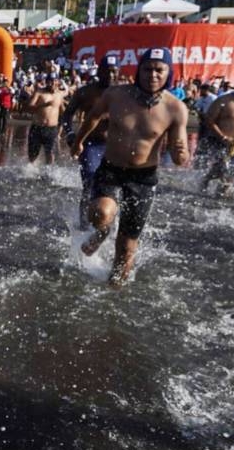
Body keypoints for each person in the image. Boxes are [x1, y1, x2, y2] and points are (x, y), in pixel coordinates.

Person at [73, 47, 189, 287]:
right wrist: (78, 142)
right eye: (147, 69)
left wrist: (181, 154)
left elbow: (180, 152)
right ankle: (103, 231)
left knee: (126, 248)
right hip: (111, 170)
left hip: (143, 179)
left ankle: (113, 290)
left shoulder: (175, 108)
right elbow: (93, 116)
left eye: (159, 70)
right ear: (138, 71)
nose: (152, 75)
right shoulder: (116, 95)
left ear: (168, 73)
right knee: (100, 213)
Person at [59, 55, 119, 228]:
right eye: (107, 71)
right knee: (90, 183)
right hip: (91, 146)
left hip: (116, 147)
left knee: (115, 188)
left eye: (114, 71)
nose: (111, 75)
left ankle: (109, 224)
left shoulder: (124, 94)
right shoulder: (86, 92)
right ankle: (84, 225)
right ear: (99, 71)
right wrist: (70, 134)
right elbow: (67, 115)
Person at [26, 74, 65, 165]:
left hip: (52, 129)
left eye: (54, 81)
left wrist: (62, 128)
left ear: (58, 82)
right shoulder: (39, 92)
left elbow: (63, 112)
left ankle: (49, 171)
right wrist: (44, 105)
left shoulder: (59, 95)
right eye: (50, 82)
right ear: (46, 82)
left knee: (50, 153)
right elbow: (29, 108)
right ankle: (31, 170)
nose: (52, 84)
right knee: (33, 155)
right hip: (37, 128)